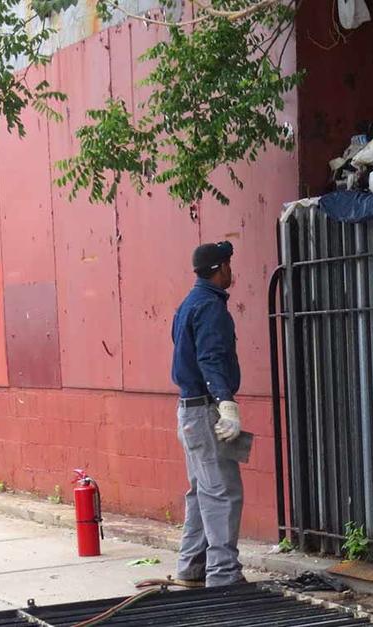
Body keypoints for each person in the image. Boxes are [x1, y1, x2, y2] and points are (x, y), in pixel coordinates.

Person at [170, 241, 248, 588]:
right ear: (219, 269)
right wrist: (226, 404)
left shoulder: (188, 305)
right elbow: (211, 358)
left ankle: (192, 566)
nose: (232, 271)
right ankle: (223, 576)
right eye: (228, 264)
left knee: (202, 490)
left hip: (188, 411)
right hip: (204, 409)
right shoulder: (211, 308)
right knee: (223, 493)